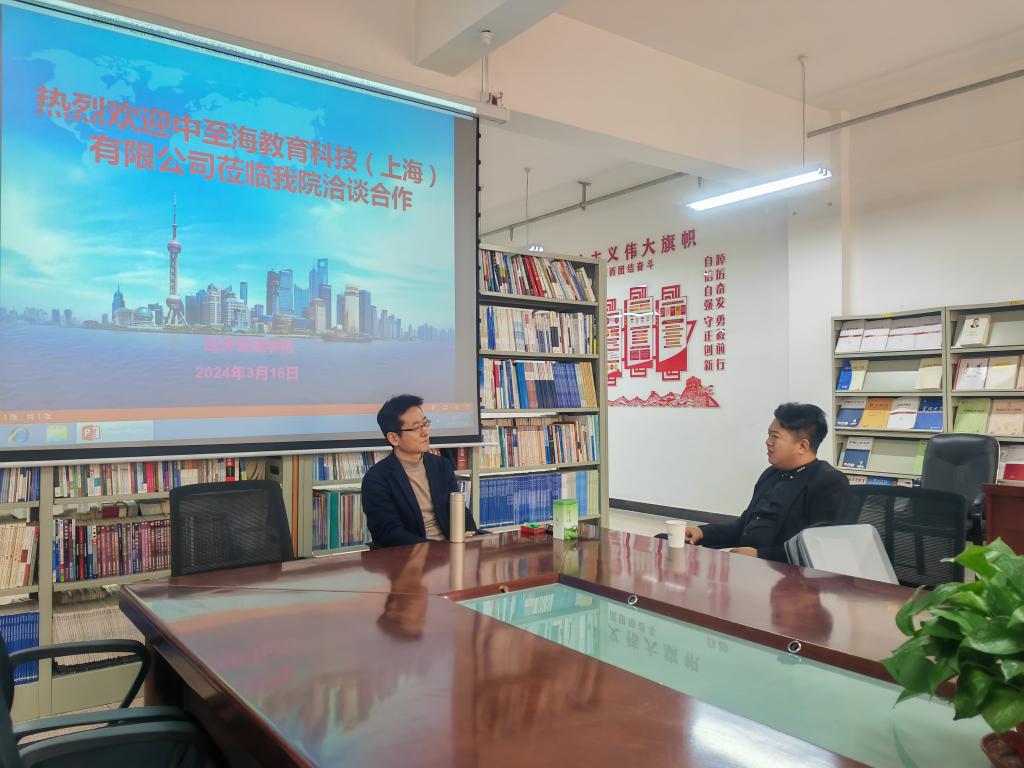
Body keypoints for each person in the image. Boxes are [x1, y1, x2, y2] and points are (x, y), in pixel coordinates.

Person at [686, 402, 850, 562]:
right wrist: (702, 532)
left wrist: (760, 555)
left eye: (775, 436)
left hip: (784, 572)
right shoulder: (771, 474)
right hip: (747, 562)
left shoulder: (828, 482)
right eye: (769, 434)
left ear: (802, 446)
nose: (768, 441)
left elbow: (818, 548)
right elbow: (744, 525)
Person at [361, 394, 477, 547]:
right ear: (394, 438)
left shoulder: (441, 466)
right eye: (416, 427)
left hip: (450, 548)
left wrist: (469, 533)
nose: (425, 432)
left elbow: (459, 510)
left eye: (425, 424)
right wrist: (438, 548)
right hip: (412, 554)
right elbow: (388, 533)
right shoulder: (377, 478)